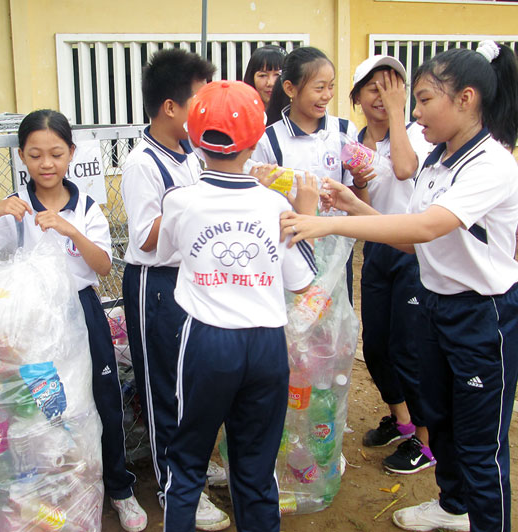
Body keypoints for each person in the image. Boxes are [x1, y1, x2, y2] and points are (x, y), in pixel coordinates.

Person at [281, 40, 518, 532]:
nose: (415, 112)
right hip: (439, 307)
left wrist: (331, 226)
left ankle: (485, 519)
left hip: (484, 315)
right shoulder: (440, 161)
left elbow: (422, 229)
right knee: (443, 419)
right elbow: (419, 243)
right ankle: (453, 505)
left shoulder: (489, 164)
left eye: (423, 99)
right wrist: (354, 207)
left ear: (466, 98)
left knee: (482, 443)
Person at [0, 109, 147, 532]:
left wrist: (71, 232)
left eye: (56, 153)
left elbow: (105, 265)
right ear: (22, 156)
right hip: (35, 320)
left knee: (104, 398)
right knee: (45, 407)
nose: (46, 163)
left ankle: (119, 488)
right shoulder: (14, 211)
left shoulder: (86, 207)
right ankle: (61, 488)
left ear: (71, 153)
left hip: (83, 311)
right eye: (35, 155)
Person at [158, 80, 317, 532]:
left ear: (193, 135)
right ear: (256, 138)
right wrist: (306, 214)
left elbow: (171, 252)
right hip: (266, 345)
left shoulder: (180, 200)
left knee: (186, 459)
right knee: (255, 467)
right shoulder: (275, 205)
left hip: (207, 341)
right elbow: (301, 281)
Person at [119, 48, 231, 531]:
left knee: (193, 380)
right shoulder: (143, 162)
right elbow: (145, 235)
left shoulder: (191, 154)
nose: (207, 110)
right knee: (163, 386)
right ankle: (173, 486)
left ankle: (189, 465)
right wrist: (196, 208)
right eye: (199, 100)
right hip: (155, 284)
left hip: (189, 281)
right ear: (170, 107)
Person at [347, 55, 436, 474]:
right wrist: (360, 181)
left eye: (392, 87)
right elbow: (361, 211)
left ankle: (426, 440)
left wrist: (399, 116)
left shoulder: (419, 134)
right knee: (376, 346)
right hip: (380, 250)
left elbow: (404, 169)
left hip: (415, 251)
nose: (383, 96)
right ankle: (401, 421)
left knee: (410, 349)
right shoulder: (355, 140)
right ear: (358, 97)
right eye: (374, 88)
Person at [250, 46, 363, 302]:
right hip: (289, 248)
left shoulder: (343, 131)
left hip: (335, 249)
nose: (327, 96)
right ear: (290, 89)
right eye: (319, 87)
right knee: (294, 328)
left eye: (331, 87)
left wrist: (359, 178)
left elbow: (356, 196)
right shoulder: (269, 139)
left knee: (332, 326)